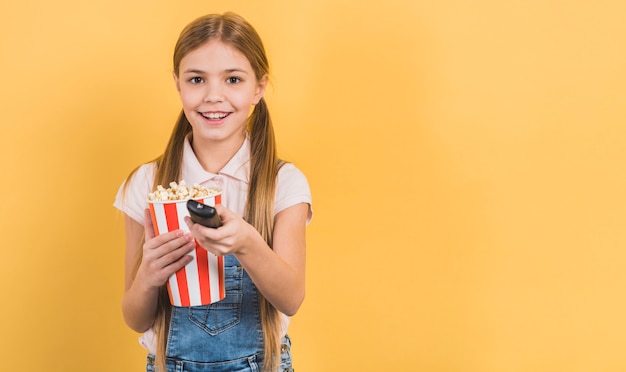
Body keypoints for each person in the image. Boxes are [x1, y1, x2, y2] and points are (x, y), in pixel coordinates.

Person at [113, 12, 312, 372]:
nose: (213, 96)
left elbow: (292, 297)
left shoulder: (284, 182)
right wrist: (148, 277)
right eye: (197, 79)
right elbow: (135, 318)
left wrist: (247, 243)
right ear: (178, 84)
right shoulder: (146, 183)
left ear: (258, 87)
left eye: (233, 79)